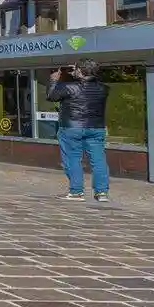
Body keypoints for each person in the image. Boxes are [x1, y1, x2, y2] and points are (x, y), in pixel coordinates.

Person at [46, 59, 111, 202]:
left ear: (80, 71)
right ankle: (102, 193)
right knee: (98, 160)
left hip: (72, 128)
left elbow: (51, 97)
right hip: (96, 128)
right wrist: (76, 73)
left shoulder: (68, 87)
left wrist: (53, 80)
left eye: (75, 68)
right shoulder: (104, 88)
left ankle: (76, 192)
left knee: (72, 159)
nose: (73, 70)